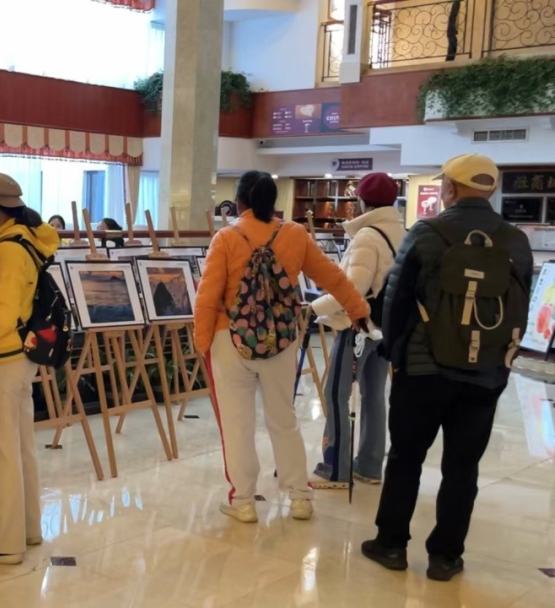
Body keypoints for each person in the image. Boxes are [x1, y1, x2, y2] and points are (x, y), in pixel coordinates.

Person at [362, 154, 533, 582]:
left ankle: (391, 545)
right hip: (485, 373)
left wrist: (396, 356)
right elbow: (521, 306)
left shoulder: (425, 233)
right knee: (463, 466)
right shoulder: (515, 241)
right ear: (491, 190)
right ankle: (446, 557)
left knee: (405, 457)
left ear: (451, 189)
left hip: (424, 370)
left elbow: (395, 302)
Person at [194, 170, 367, 524]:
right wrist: (358, 310)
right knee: (283, 418)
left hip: (230, 340)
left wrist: (202, 342)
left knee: (237, 424)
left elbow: (207, 297)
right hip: (281, 339)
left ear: (240, 201)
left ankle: (243, 501)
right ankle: (300, 496)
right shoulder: (295, 234)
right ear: (273, 201)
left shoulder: (226, 238)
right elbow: (332, 277)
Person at [0, 171, 59, 565]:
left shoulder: (7, 249)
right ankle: (27, 528)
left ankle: (5, 541)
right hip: (19, 357)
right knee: (19, 447)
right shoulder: (26, 239)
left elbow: (1, 313)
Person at [310, 173, 407, 489]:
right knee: (374, 395)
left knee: (335, 394)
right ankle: (369, 465)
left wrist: (313, 308)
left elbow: (351, 291)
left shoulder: (367, 236)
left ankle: (336, 468)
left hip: (358, 326)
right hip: (386, 328)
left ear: (362, 202)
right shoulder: (401, 232)